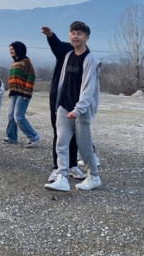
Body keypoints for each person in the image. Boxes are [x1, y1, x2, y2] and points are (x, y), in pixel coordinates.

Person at [44, 21, 102, 191]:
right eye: (73, 33)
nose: (75, 36)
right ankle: (62, 176)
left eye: (79, 34)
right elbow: (63, 82)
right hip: (64, 107)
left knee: (84, 146)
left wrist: (78, 109)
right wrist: (59, 105)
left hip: (80, 111)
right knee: (61, 143)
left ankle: (94, 176)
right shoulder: (68, 56)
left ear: (87, 38)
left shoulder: (91, 60)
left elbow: (89, 88)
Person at [2, 41, 41, 147]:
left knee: (18, 117)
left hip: (23, 93)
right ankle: (11, 137)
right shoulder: (14, 62)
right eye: (10, 50)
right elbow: (13, 78)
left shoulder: (26, 61)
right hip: (15, 93)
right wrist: (11, 91)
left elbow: (31, 76)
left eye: (13, 49)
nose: (10, 52)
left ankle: (34, 136)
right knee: (11, 116)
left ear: (19, 49)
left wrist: (27, 92)